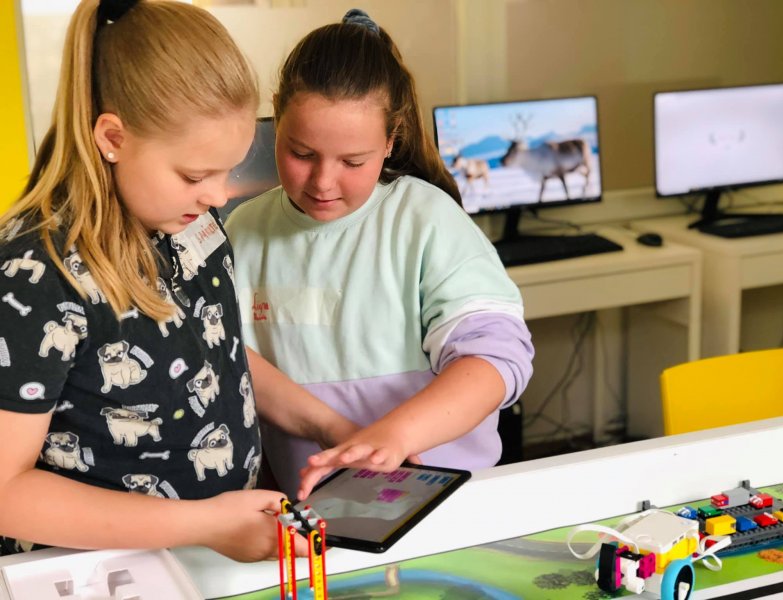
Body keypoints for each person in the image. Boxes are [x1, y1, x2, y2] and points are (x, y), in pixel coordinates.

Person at [0, 0, 353, 561]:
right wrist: (207, 524)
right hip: (102, 572)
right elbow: (6, 491)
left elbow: (213, 352)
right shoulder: (35, 274)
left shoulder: (188, 219)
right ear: (113, 138)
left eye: (228, 170)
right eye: (195, 174)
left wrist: (333, 427)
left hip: (209, 552)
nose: (219, 195)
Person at [226, 9, 535, 500]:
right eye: (301, 154)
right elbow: (233, 363)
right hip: (318, 510)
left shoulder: (427, 220)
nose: (323, 182)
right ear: (277, 120)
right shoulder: (243, 232)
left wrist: (395, 436)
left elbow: (497, 358)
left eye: (353, 161)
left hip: (444, 500)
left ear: (390, 141)